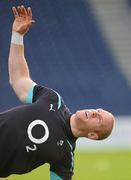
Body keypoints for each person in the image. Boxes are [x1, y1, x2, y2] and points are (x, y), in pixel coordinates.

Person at [0, 5, 115, 180]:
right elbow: (19, 79)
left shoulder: (65, 157)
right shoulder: (53, 99)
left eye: (98, 118)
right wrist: (17, 36)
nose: (93, 112)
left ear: (92, 135)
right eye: (97, 110)